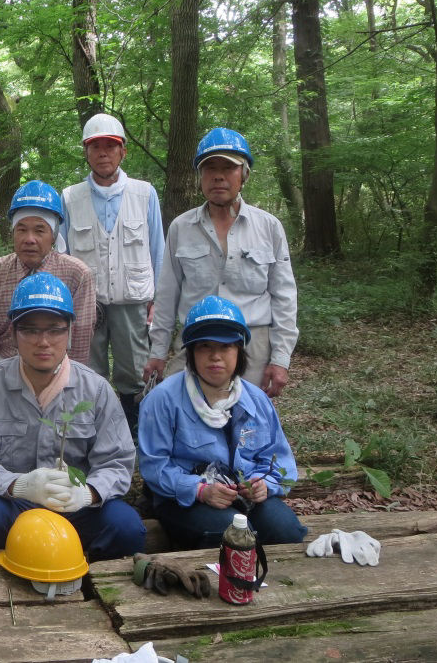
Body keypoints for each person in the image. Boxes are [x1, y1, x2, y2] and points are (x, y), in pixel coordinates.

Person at [0, 273, 146, 562]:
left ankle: (91, 579)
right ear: (14, 333)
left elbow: (117, 462)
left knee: (127, 527)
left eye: (55, 329)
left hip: (76, 508)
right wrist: (20, 485)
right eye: (30, 330)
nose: (43, 341)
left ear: (69, 332)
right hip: (16, 504)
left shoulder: (95, 390)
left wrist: (88, 493)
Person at [138, 295, 306, 549]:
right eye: (205, 346)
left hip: (244, 498)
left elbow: (277, 459)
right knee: (230, 534)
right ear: (191, 353)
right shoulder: (162, 400)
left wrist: (264, 485)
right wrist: (200, 490)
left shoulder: (256, 400)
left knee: (287, 531)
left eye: (225, 347)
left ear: (239, 351)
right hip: (183, 499)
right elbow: (154, 467)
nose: (215, 356)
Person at [144, 129, 298, 397]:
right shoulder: (182, 227)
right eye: (210, 168)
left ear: (244, 174)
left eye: (228, 168)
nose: (218, 176)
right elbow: (167, 294)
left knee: (246, 421)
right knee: (179, 410)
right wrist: (158, 352)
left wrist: (280, 359)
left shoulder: (268, 227)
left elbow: (284, 296)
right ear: (200, 177)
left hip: (253, 342)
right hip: (195, 340)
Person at [60, 114, 164, 434]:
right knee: (87, 369)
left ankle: (134, 429)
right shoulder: (69, 197)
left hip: (133, 299)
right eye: (96, 147)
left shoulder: (145, 194)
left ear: (123, 152)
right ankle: (94, 428)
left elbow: (157, 248)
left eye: (110, 146)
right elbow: (62, 254)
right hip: (87, 303)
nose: (103, 152)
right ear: (86, 152)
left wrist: (156, 300)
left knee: (134, 370)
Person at [0, 180, 96, 373]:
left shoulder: (77, 274)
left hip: (58, 370)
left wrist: (73, 381)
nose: (29, 239)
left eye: (39, 230)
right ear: (12, 232)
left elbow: (80, 337)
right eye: (21, 229)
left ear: (53, 235)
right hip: (4, 369)